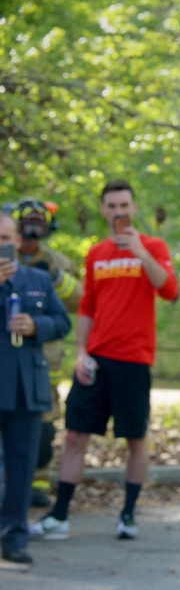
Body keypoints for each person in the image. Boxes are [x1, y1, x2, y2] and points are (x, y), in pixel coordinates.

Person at [30, 180, 179, 542]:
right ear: (103, 210)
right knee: (76, 435)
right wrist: (81, 353)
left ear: (134, 207)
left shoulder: (154, 246)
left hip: (134, 361)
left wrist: (141, 253)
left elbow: (170, 290)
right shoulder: (96, 253)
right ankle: (60, 516)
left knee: (135, 439)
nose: (118, 212)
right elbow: (87, 307)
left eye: (124, 205)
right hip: (96, 359)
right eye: (111, 206)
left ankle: (128, 515)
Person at [0, 212, 72, 565]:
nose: (2, 246)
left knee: (22, 465)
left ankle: (14, 537)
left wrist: (36, 325)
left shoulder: (39, 279)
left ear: (18, 240)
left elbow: (63, 321)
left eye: (6, 238)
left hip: (26, 387)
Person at [11, 197, 83, 509]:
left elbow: (79, 303)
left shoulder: (55, 263)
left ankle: (38, 482)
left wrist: (54, 277)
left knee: (41, 428)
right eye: (25, 227)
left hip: (44, 364)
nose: (30, 234)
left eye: (37, 226)